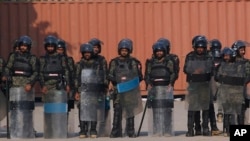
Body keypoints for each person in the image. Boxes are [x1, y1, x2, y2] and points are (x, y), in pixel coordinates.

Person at [2, 35, 39, 138]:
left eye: (25, 46)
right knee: (14, 111)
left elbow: (36, 72)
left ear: (29, 47)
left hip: (26, 88)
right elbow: (8, 68)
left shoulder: (32, 58)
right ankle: (14, 130)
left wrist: (30, 84)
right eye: (21, 46)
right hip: (14, 87)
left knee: (26, 111)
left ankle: (28, 130)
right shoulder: (13, 56)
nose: (23, 48)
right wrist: (5, 76)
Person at [108, 38, 143, 138]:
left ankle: (130, 131)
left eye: (126, 50)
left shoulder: (134, 62)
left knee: (130, 110)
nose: (124, 52)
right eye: (122, 50)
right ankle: (115, 131)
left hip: (130, 90)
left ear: (129, 50)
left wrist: (130, 82)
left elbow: (139, 76)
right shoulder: (114, 62)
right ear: (119, 50)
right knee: (118, 109)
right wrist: (116, 81)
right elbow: (110, 74)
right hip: (118, 89)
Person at [39, 35, 70, 138]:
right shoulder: (43, 59)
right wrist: (43, 85)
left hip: (59, 85)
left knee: (60, 109)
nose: (50, 48)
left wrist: (68, 84)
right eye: (49, 46)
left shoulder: (61, 58)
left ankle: (61, 130)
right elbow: (40, 73)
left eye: (52, 46)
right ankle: (50, 131)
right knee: (49, 110)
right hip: (47, 86)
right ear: (46, 47)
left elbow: (66, 71)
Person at [184, 35, 214, 137]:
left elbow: (211, 69)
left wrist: (202, 70)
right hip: (193, 84)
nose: (200, 49)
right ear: (195, 47)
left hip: (205, 84)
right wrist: (194, 71)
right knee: (193, 108)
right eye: (198, 47)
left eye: (202, 47)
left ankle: (205, 128)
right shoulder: (190, 56)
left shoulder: (209, 56)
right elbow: (186, 69)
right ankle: (192, 129)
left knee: (205, 108)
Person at [74, 43, 106, 138]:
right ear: (82, 53)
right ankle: (83, 130)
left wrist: (101, 89)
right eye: (85, 53)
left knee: (93, 109)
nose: (87, 54)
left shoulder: (97, 64)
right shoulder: (79, 64)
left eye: (89, 52)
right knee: (82, 109)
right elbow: (76, 78)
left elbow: (100, 77)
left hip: (93, 90)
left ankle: (93, 129)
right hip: (82, 90)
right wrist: (77, 91)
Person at [214, 47, 248, 136]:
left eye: (228, 56)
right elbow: (217, 77)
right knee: (227, 112)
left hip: (237, 92)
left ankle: (240, 132)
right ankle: (227, 131)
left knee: (239, 112)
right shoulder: (221, 66)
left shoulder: (238, 65)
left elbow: (243, 77)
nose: (226, 58)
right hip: (226, 91)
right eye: (225, 56)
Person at [144, 41, 175, 136]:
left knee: (167, 109)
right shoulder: (150, 62)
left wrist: (171, 83)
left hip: (166, 87)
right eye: (157, 51)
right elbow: (147, 74)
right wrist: (148, 84)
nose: (159, 53)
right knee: (156, 109)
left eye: (161, 51)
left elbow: (173, 73)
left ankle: (167, 130)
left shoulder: (168, 62)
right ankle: (157, 129)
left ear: (164, 51)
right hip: (155, 88)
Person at [88, 38, 110, 137]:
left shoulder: (102, 60)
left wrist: (105, 85)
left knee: (101, 108)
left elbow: (105, 73)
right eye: (94, 47)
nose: (95, 49)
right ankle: (88, 129)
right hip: (88, 89)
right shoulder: (85, 59)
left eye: (97, 47)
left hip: (100, 88)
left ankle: (101, 129)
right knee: (89, 108)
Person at [231, 40, 250, 125]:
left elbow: (248, 75)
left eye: (243, 50)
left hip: (242, 89)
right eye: (241, 50)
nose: (243, 52)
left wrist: (242, 82)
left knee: (243, 110)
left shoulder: (246, 62)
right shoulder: (231, 62)